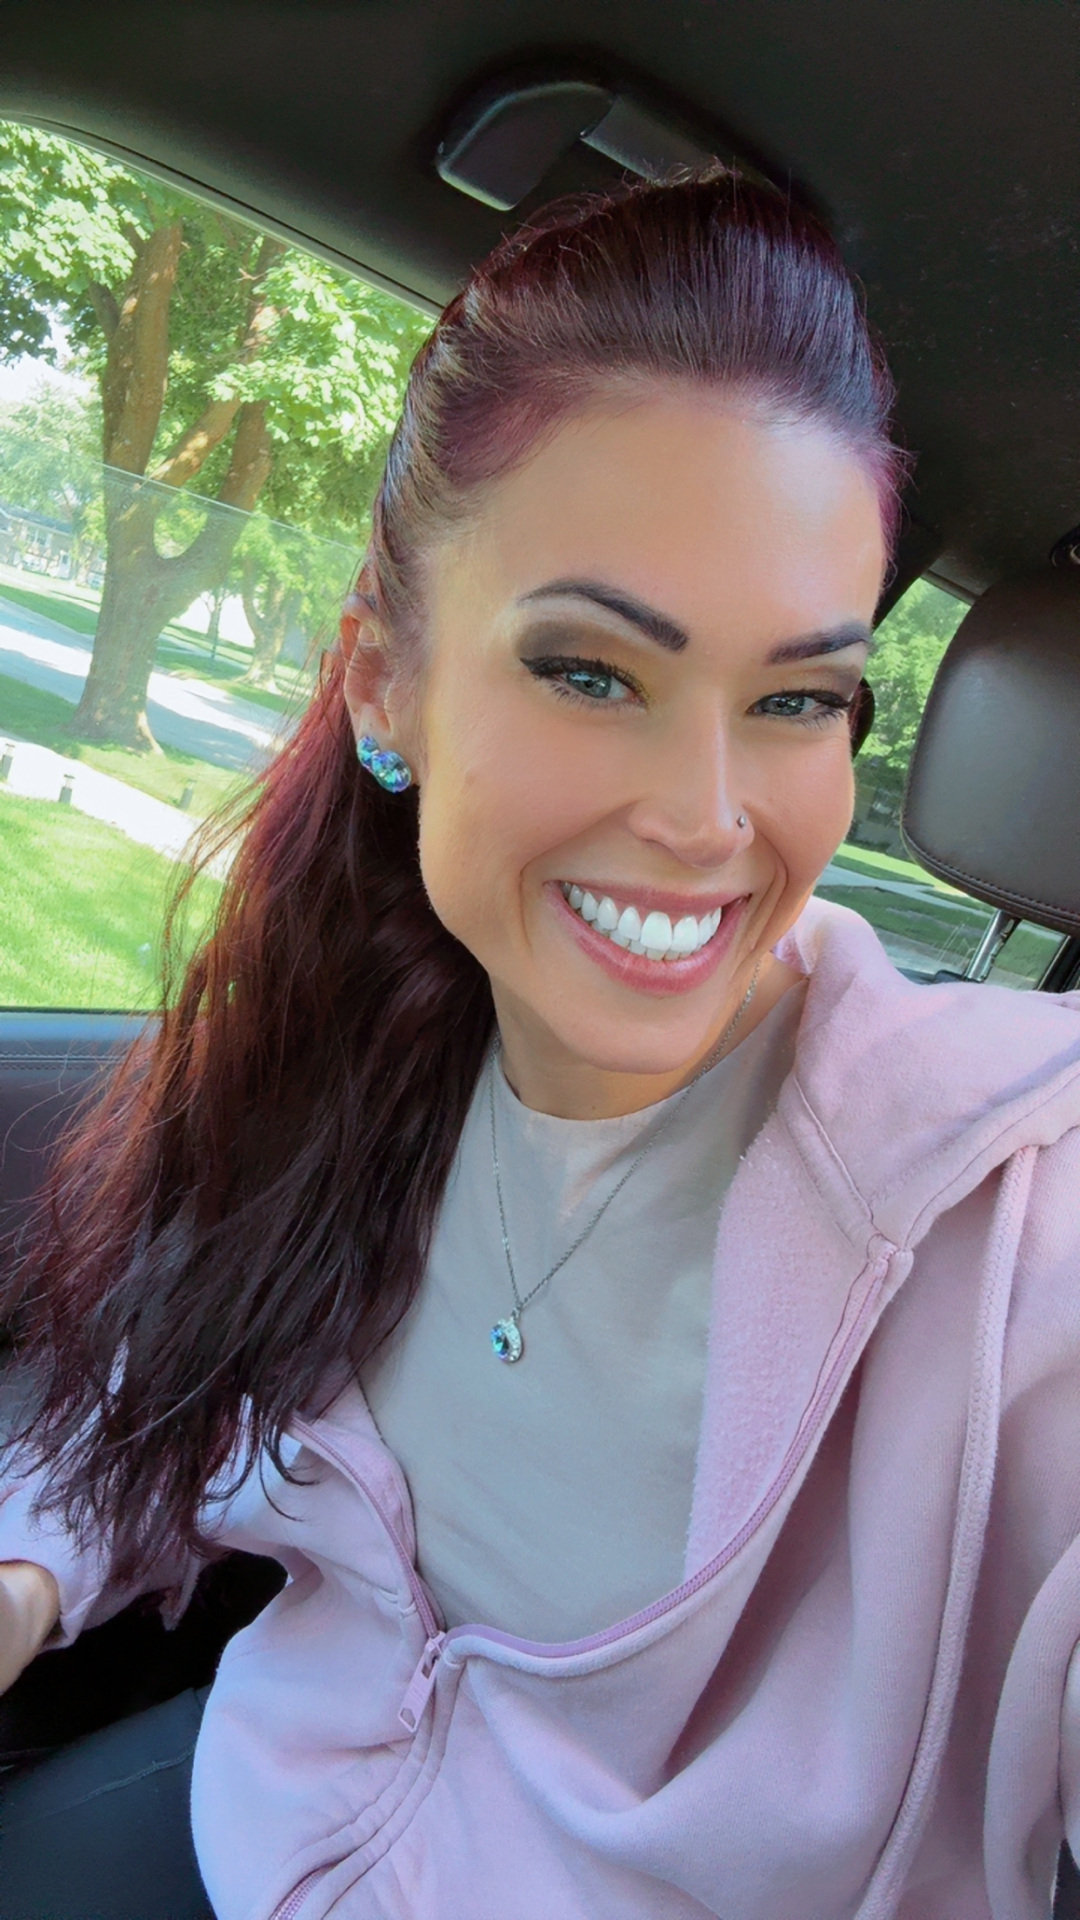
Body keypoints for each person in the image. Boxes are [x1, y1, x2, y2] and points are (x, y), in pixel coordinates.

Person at [1, 167, 1079, 1920]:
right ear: (384, 684)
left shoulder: (1012, 1222)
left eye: (796, 699)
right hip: (251, 1824)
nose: (709, 818)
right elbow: (182, 1364)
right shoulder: (381, 1038)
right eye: (591, 672)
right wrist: (32, 1561)